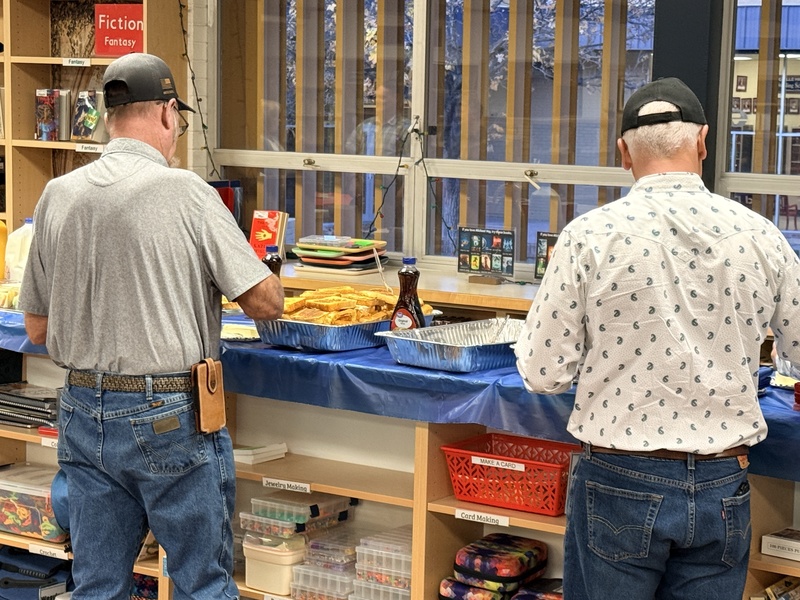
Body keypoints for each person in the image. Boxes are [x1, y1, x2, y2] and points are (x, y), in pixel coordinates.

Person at [515, 77, 800, 600]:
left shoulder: (587, 236)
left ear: (623, 152)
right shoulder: (761, 235)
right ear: (704, 142)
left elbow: (542, 372)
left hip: (617, 477)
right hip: (722, 481)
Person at [18, 52, 284, 600]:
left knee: (96, 585)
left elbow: (37, 328)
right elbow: (264, 302)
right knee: (201, 584)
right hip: (168, 412)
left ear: (108, 116)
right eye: (179, 121)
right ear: (166, 112)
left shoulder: (57, 194)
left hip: (81, 411)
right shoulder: (187, 192)